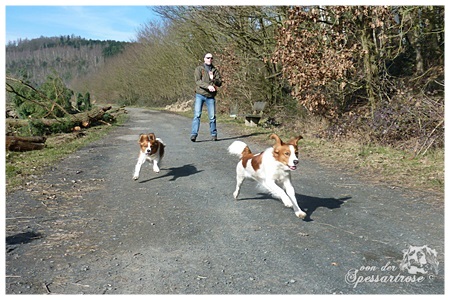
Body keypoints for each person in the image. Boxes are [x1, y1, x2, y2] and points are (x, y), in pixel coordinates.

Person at [190, 53, 222, 142]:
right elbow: (198, 81)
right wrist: (208, 86)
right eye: (208, 58)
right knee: (197, 115)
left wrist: (213, 79)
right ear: (204, 59)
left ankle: (214, 134)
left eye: (211, 58)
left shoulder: (215, 70)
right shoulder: (199, 69)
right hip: (200, 95)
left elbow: (219, 82)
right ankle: (194, 134)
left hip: (210, 96)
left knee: (212, 117)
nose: (209, 59)